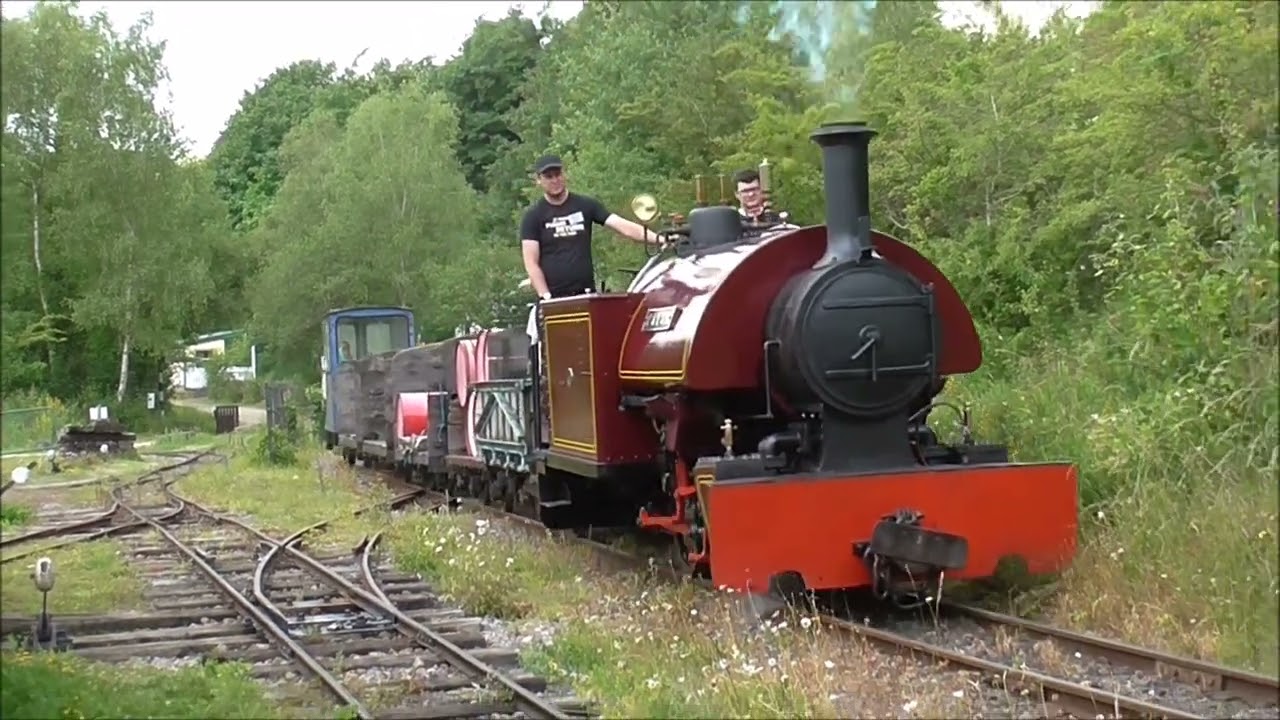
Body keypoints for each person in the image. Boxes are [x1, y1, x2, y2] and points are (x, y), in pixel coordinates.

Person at [520, 154, 668, 302]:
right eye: (549, 176)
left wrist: (661, 240)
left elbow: (623, 226)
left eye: (558, 174)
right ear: (539, 180)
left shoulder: (585, 205)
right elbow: (531, 263)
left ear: (564, 174)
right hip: (553, 298)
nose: (555, 180)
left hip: (586, 294)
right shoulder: (533, 216)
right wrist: (545, 296)